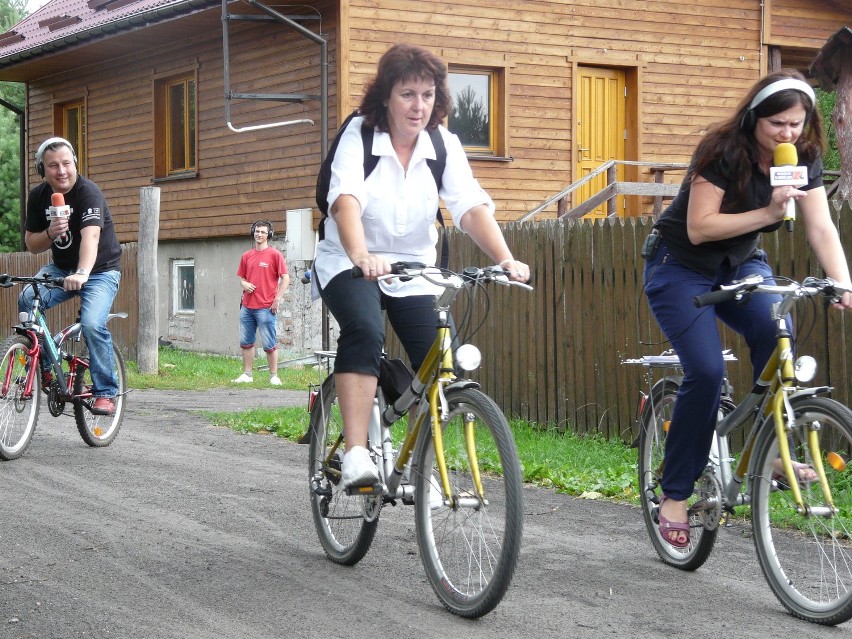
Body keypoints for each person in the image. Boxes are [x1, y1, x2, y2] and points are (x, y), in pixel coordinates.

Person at [643, 69, 852, 548]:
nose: (787, 134)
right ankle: (675, 494)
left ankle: (772, 449)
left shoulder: (804, 158)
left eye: (796, 124)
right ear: (755, 118)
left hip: (742, 264)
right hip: (680, 266)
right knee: (707, 369)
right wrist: (770, 213)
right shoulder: (722, 151)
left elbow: (820, 228)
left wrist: (842, 282)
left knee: (776, 328)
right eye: (777, 123)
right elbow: (699, 227)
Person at [312, 43, 530, 489]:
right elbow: (345, 200)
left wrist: (505, 258)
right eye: (408, 94)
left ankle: (420, 461)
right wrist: (360, 255)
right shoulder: (360, 135)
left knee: (438, 359)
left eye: (428, 95)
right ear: (386, 97)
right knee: (365, 331)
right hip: (349, 262)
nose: (419, 106)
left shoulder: (443, 144)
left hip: (413, 270)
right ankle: (355, 452)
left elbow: (469, 208)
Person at [22, 137, 123, 415]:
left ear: (75, 163)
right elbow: (32, 244)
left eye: (66, 163)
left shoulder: (88, 192)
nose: (61, 171)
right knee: (27, 299)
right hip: (60, 269)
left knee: (92, 324)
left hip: (100, 271)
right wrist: (50, 233)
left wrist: (81, 273)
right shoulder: (38, 196)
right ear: (43, 170)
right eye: (53, 166)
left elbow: (90, 237)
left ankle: (105, 392)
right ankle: (45, 370)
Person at [232, 220, 290, 385]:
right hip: (247, 307)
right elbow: (241, 278)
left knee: (269, 344)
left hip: (266, 307)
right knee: (246, 342)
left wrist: (277, 299)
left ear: (268, 235)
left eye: (263, 232)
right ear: (253, 233)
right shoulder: (246, 256)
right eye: (257, 231)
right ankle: (247, 375)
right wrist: (244, 284)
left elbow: (285, 278)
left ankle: (274, 376)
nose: (259, 234)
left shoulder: (275, 255)